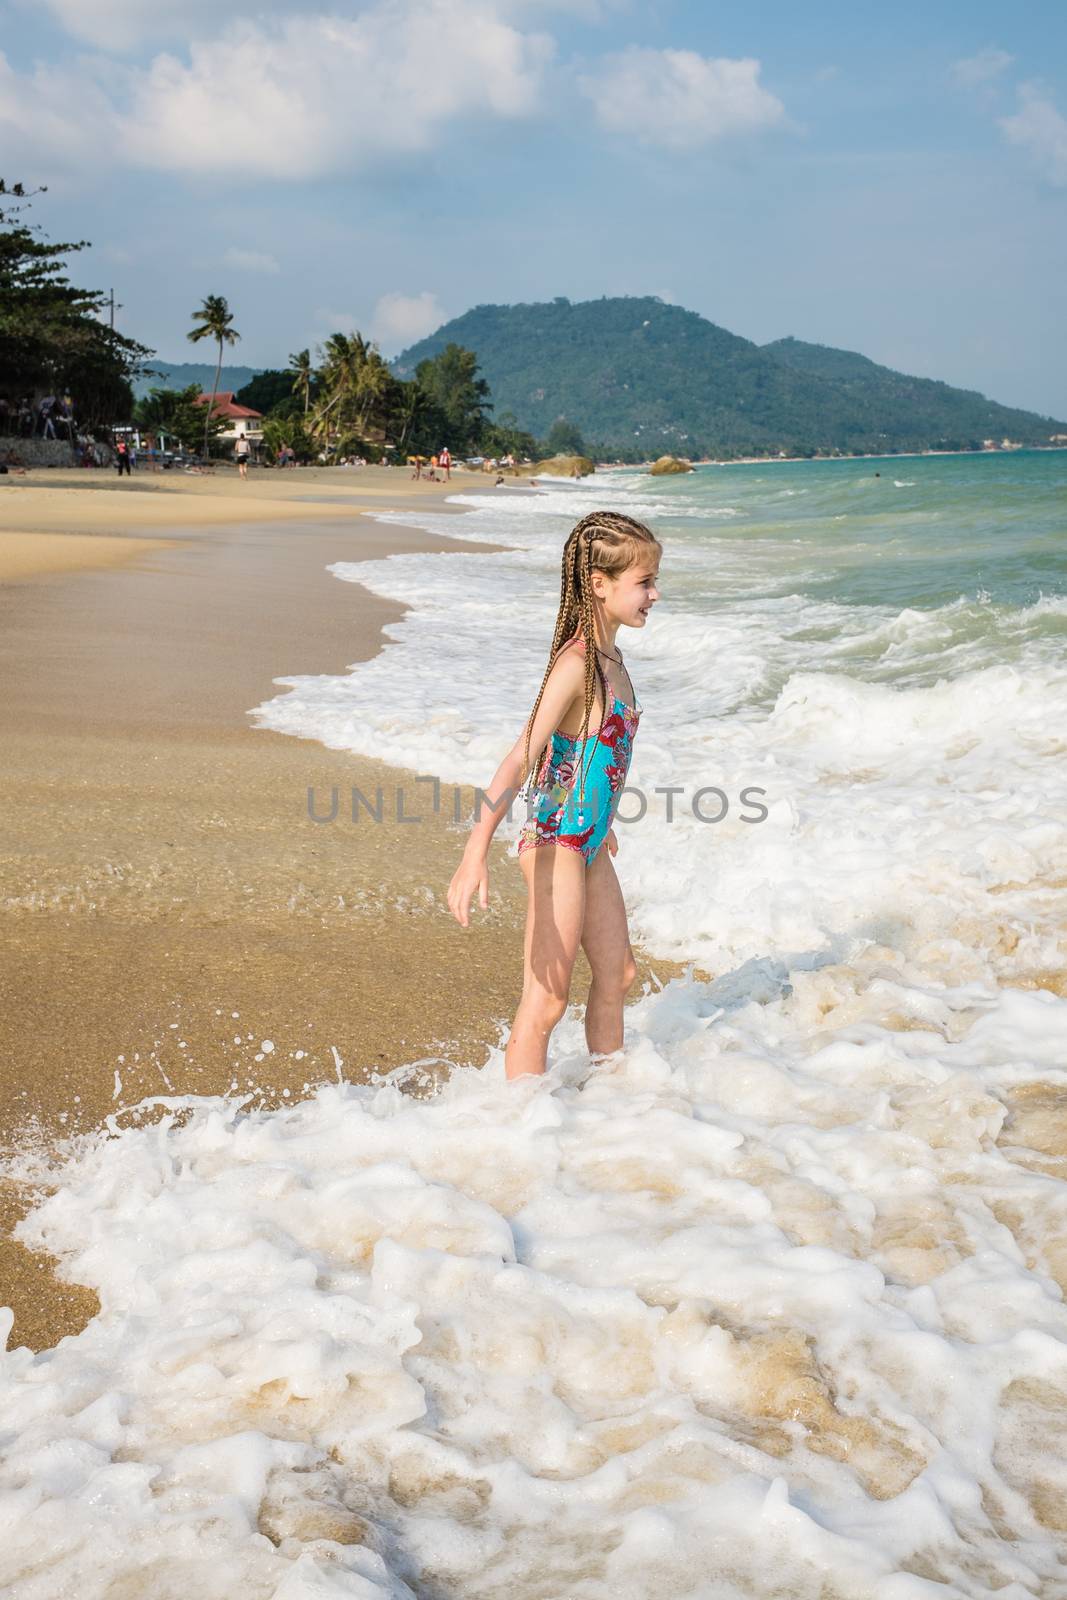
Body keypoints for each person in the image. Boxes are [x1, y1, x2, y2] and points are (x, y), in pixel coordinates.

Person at [447, 511, 662, 1082]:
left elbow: (584, 755)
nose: (654, 594)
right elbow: (520, 757)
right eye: (644, 582)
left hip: (586, 839)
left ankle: (608, 1100)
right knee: (546, 1001)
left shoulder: (614, 661)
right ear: (600, 583)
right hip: (555, 843)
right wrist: (474, 856)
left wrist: (604, 817)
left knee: (618, 977)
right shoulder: (577, 663)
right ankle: (519, 1131)